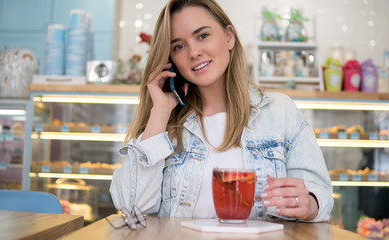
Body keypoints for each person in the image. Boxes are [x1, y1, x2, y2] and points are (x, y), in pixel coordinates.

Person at [110, 0, 333, 222]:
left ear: (229, 37)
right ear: (171, 60)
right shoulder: (164, 124)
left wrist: (309, 203)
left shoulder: (279, 111)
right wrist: (160, 110)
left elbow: (319, 193)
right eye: (178, 46)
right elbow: (132, 206)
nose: (194, 52)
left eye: (202, 36)